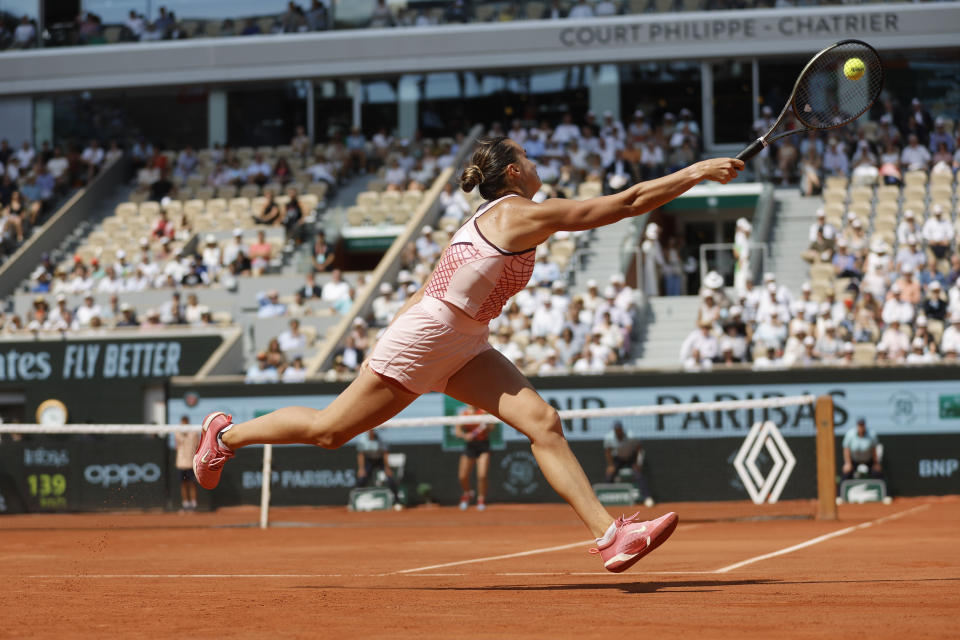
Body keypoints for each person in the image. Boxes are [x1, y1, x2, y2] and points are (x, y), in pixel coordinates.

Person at [193, 136, 740, 573]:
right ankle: (223, 436)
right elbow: (624, 204)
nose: (533, 161)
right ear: (511, 174)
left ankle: (611, 536)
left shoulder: (501, 217)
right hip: (430, 336)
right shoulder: (515, 215)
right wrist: (694, 173)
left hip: (464, 340)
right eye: (525, 156)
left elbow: (435, 279)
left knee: (542, 422)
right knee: (329, 432)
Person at [454, 404, 493, 511]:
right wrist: (465, 436)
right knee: (462, 476)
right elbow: (457, 432)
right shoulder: (463, 414)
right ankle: (467, 494)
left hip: (483, 445)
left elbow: (491, 428)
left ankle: (481, 499)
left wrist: (486, 425)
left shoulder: (484, 412)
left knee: (482, 475)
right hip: (470, 447)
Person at [602, 421, 650, 503]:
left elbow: (639, 449)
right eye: (616, 430)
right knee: (609, 475)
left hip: (631, 457)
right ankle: (606, 499)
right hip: (618, 458)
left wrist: (638, 463)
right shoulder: (609, 438)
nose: (618, 431)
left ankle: (647, 498)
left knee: (638, 475)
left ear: (622, 429)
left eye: (619, 429)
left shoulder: (631, 436)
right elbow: (608, 452)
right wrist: (610, 465)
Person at [354, 429, 401, 507]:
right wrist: (361, 469)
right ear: (368, 432)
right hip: (369, 460)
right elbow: (361, 455)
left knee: (390, 479)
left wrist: (387, 468)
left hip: (380, 459)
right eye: (370, 431)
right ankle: (356, 501)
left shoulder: (381, 439)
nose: (372, 432)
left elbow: (385, 453)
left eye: (373, 431)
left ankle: (397, 501)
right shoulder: (362, 439)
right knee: (361, 479)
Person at [175, 416, 200, 511]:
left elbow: (197, 445)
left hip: (191, 463)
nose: (183, 425)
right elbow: (176, 445)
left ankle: (193, 503)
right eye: (182, 423)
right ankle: (185, 504)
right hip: (181, 463)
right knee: (183, 484)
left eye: (185, 423)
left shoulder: (194, 432)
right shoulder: (177, 432)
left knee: (192, 483)